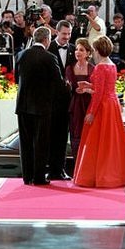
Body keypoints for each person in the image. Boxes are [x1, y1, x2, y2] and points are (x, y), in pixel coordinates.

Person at [15, 26, 68, 186]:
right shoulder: (49, 57)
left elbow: (17, 78)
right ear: (46, 40)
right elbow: (59, 84)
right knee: (41, 142)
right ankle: (38, 177)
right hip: (42, 107)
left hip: (23, 106)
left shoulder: (21, 55)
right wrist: (68, 87)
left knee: (25, 142)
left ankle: (27, 176)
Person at [73, 35, 125, 188]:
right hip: (112, 105)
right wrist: (88, 85)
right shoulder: (112, 65)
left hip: (102, 106)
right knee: (111, 142)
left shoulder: (100, 67)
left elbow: (99, 93)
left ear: (97, 50)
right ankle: (113, 174)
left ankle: (97, 176)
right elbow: (104, 88)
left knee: (97, 142)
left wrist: (91, 112)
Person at [47, 20, 76, 180]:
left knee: (63, 137)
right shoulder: (48, 48)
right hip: (50, 101)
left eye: (69, 33)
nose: (67, 37)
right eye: (64, 34)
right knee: (50, 135)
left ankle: (60, 169)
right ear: (56, 32)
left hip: (68, 101)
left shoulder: (73, 50)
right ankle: (50, 169)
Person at [65, 38, 95, 161]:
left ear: (88, 53)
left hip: (88, 104)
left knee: (89, 134)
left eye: (81, 50)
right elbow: (68, 87)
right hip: (74, 105)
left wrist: (87, 89)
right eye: (77, 49)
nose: (78, 52)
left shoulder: (93, 68)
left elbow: (96, 88)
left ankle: (88, 164)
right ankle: (77, 163)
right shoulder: (69, 68)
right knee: (75, 134)